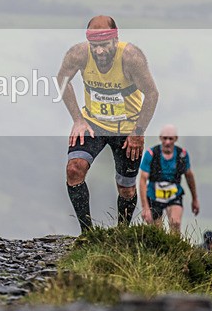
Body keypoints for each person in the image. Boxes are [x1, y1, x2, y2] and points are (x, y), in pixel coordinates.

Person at [57, 15, 159, 233]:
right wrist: (78, 119)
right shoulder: (78, 54)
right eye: (94, 46)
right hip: (93, 124)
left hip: (127, 130)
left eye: (104, 45)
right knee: (74, 170)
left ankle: (121, 233)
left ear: (115, 39)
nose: (100, 51)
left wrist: (138, 132)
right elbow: (62, 80)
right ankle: (88, 234)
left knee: (126, 189)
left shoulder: (131, 57)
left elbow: (152, 94)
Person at [138, 124, 199, 234]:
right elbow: (143, 180)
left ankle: (175, 244)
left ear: (176, 139)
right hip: (154, 196)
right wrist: (145, 207)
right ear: (160, 138)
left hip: (174, 195)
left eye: (170, 139)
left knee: (175, 223)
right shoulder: (151, 154)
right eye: (165, 138)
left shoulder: (182, 155)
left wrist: (195, 199)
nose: (167, 142)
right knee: (157, 230)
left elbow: (189, 176)